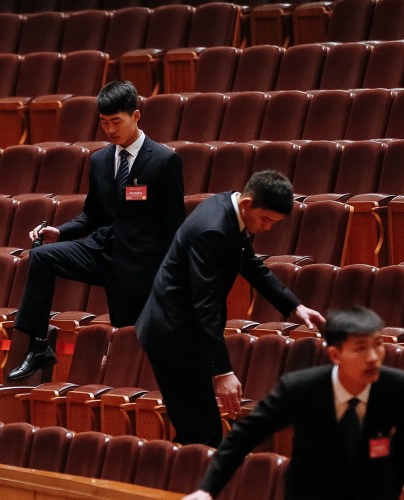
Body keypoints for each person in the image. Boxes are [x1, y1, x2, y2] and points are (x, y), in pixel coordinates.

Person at [6, 80, 186, 381]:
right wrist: (58, 232)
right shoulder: (100, 160)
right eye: (104, 123)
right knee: (41, 256)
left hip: (139, 264)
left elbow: (174, 228)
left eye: (117, 122)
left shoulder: (164, 161)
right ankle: (38, 346)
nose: (111, 130)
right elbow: (92, 215)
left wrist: (170, 281)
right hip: (100, 250)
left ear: (136, 116)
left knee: (137, 341)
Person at [135, 170, 326, 447]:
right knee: (202, 433)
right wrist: (223, 372)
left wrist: (294, 306)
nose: (268, 228)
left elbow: (251, 265)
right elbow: (206, 305)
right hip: (172, 336)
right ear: (248, 203)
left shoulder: (228, 206)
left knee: (197, 429)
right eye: (266, 219)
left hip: (179, 330)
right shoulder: (214, 231)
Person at [182, 306, 404, 500]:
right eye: (360, 349)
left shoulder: (400, 388)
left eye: (378, 344)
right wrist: (207, 489)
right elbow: (244, 435)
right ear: (335, 355)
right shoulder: (301, 388)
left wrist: (388, 491)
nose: (373, 357)